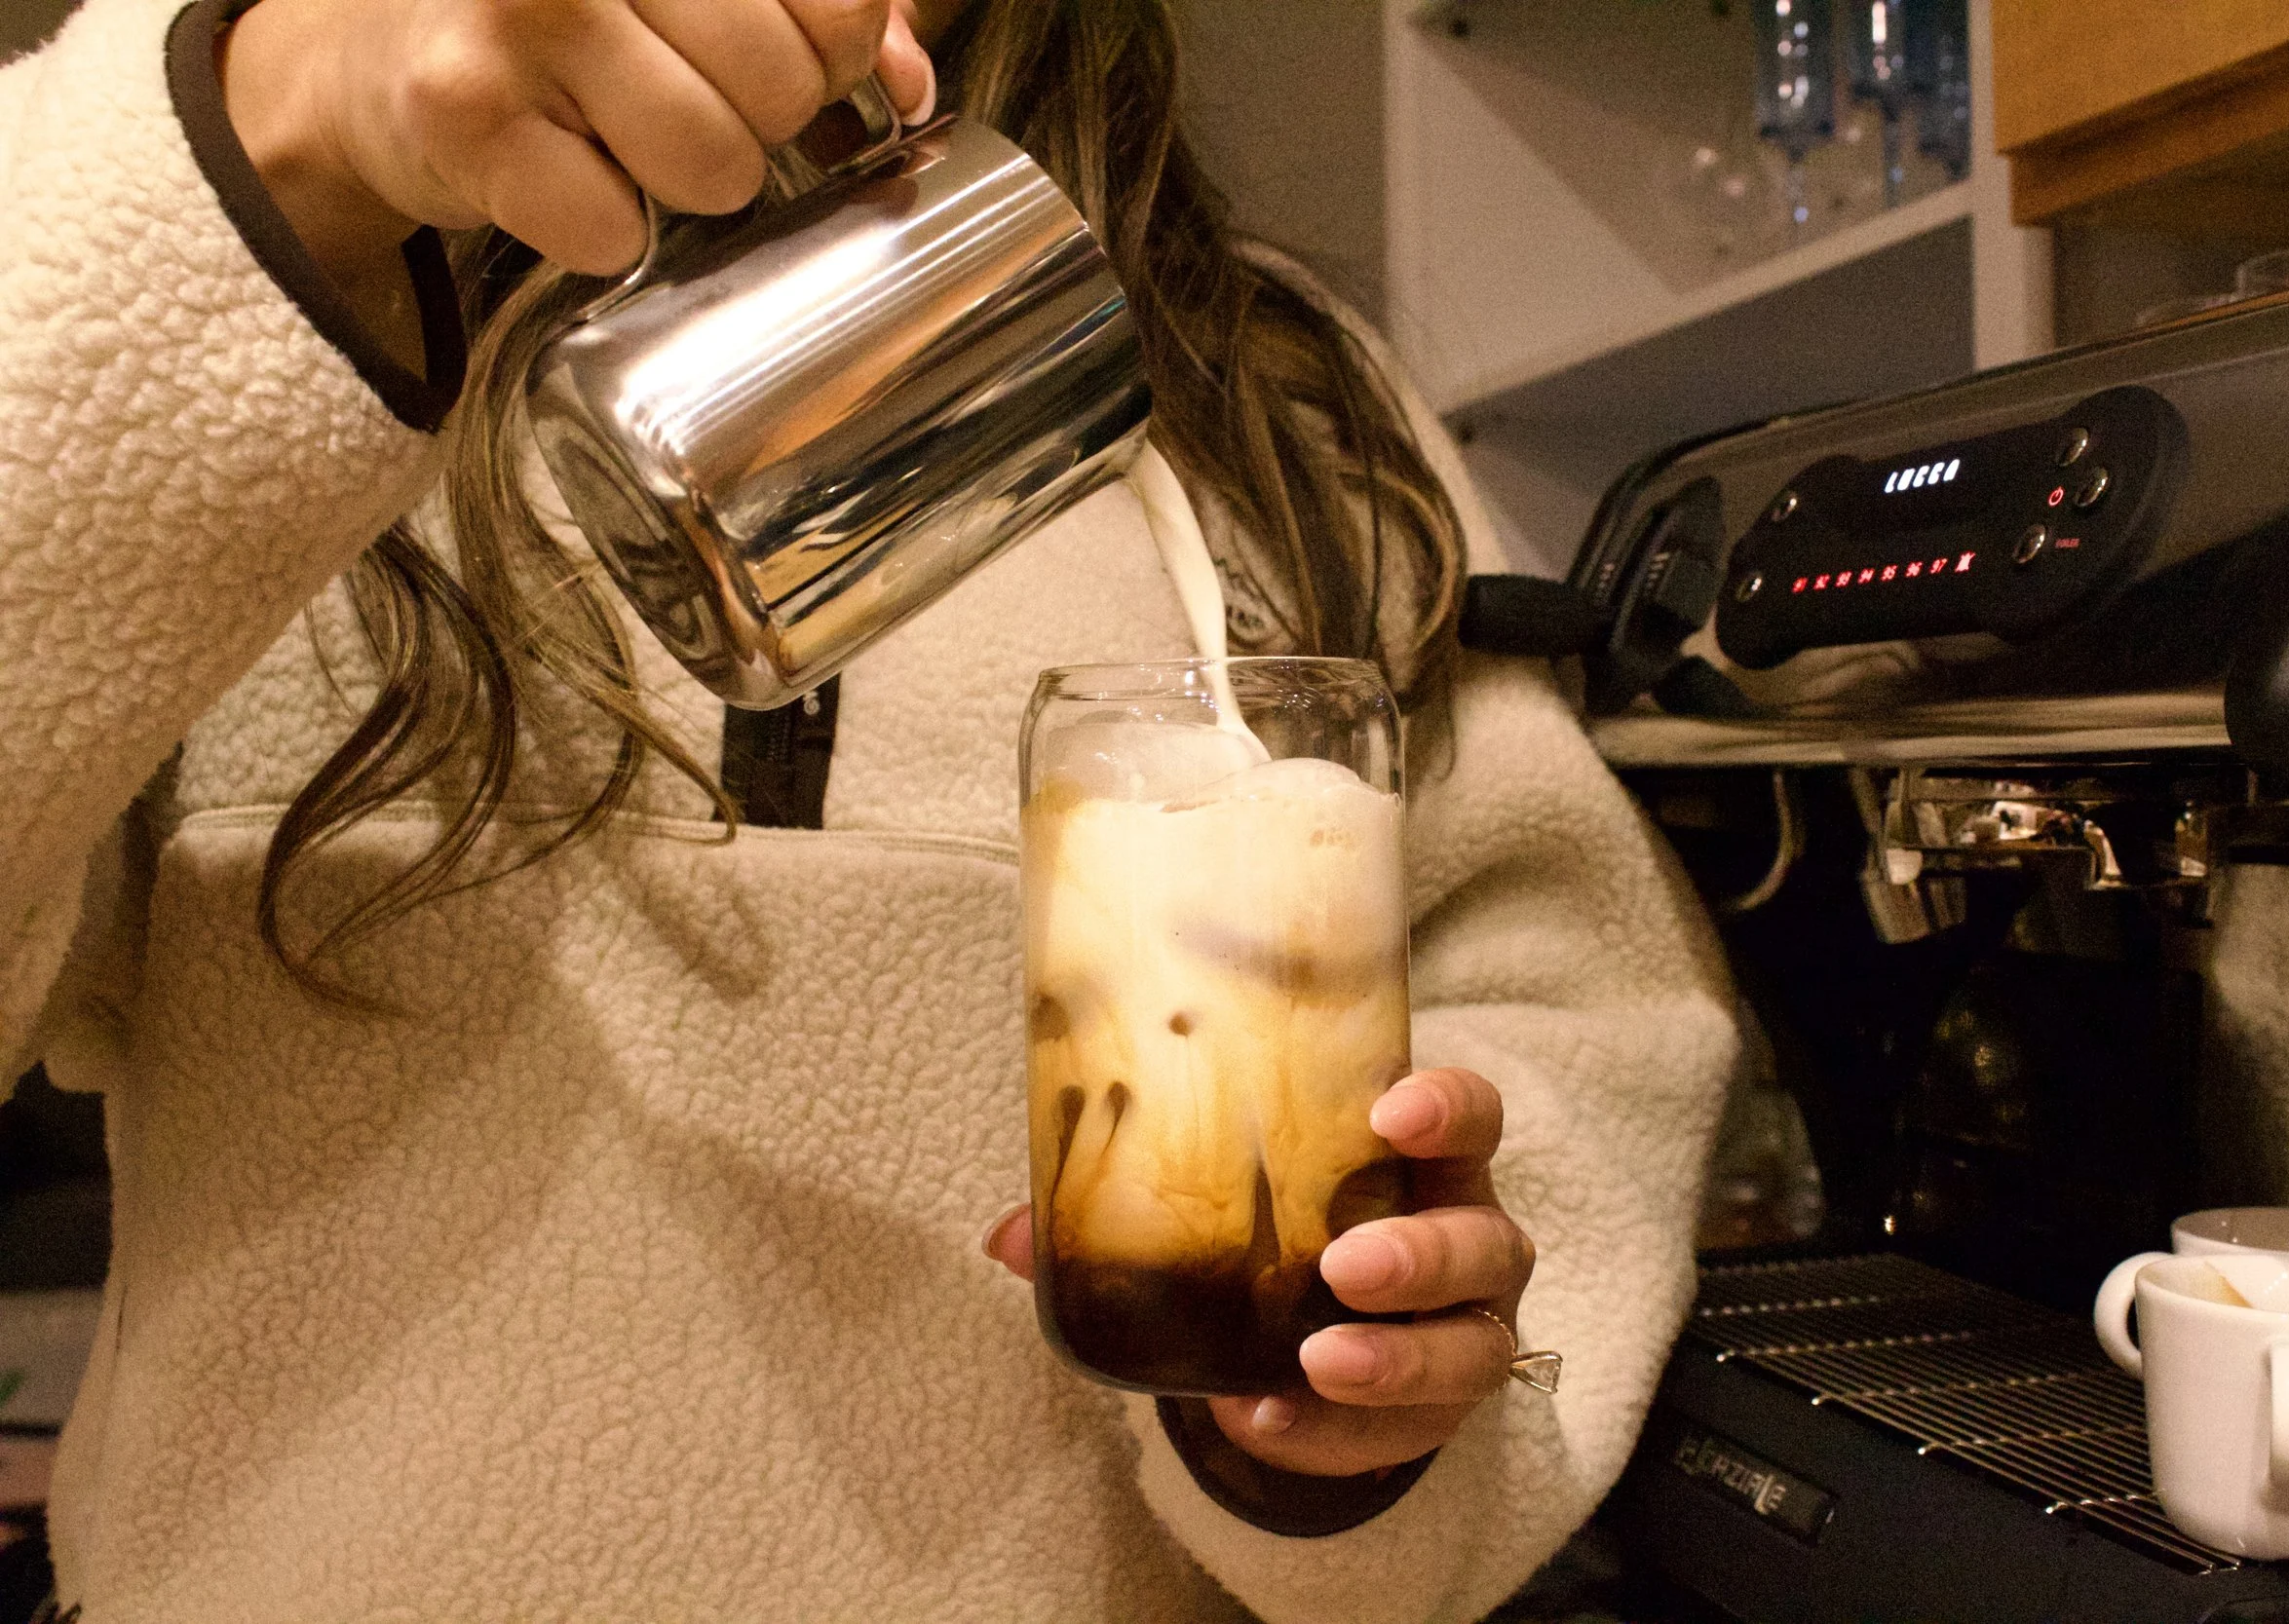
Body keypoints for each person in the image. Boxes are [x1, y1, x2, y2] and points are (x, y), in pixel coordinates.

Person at [0, 0, 1740, 1618]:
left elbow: (1557, 1030)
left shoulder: (1279, 415)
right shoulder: (232, 311)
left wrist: (1340, 1434)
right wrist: (257, 156)